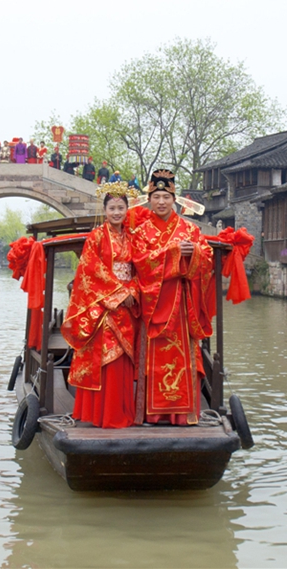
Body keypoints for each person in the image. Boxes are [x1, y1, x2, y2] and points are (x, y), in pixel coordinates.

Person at [128, 169, 213, 426]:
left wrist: (194, 252)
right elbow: (140, 262)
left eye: (166, 196)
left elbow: (207, 258)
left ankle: (182, 415)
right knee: (152, 363)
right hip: (154, 306)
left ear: (174, 199)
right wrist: (174, 251)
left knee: (182, 361)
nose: (162, 201)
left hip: (182, 309)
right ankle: (151, 415)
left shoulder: (189, 229)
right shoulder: (141, 233)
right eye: (156, 196)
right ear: (149, 200)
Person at [61, 181, 140, 428]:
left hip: (127, 305)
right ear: (104, 210)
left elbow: (140, 270)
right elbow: (89, 271)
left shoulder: (133, 238)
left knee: (124, 361)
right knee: (106, 361)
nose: (116, 212)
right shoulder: (96, 237)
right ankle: (101, 415)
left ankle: (123, 413)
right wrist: (117, 294)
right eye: (112, 208)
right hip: (105, 308)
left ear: (127, 210)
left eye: (121, 208)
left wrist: (133, 291)